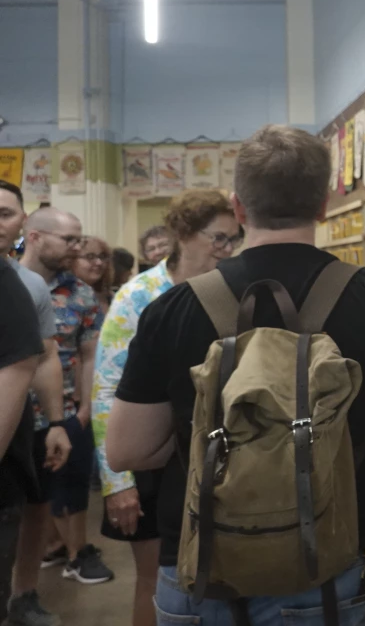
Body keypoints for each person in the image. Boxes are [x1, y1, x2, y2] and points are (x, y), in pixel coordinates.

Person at [106, 124, 365, 625]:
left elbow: (127, 449)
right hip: (328, 560)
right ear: (323, 204)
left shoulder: (173, 308)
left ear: (239, 208)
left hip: (201, 565)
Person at [92, 191, 238, 626]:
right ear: (183, 234)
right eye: (218, 239)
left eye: (234, 239)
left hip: (216, 462)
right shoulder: (139, 297)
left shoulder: (232, 290)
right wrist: (116, 482)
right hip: (150, 464)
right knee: (156, 579)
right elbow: (106, 390)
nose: (228, 250)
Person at [12, 207, 114, 610]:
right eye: (69, 240)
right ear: (35, 237)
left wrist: (84, 409)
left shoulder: (81, 294)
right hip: (11, 412)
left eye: (79, 239)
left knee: (46, 502)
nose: (77, 247)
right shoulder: (11, 284)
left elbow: (89, 356)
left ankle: (26, 591)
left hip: (58, 415)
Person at [0, 182, 71, 626]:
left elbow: (44, 358)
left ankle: (22, 595)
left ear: (23, 221)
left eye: (6, 213)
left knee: (25, 508)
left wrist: (58, 422)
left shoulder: (27, 285)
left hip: (15, 418)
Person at [73, 236, 113, 312]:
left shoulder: (112, 298)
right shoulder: (63, 298)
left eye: (102, 256)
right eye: (90, 256)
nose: (99, 262)